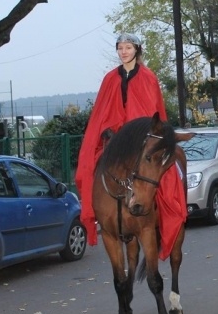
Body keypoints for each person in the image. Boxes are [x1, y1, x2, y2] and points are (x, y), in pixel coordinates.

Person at [75, 33, 186, 259]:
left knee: (163, 172)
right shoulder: (109, 79)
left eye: (128, 47)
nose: (123, 51)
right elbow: (102, 112)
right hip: (116, 138)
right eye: (120, 48)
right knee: (93, 165)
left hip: (143, 138)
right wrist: (107, 128)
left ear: (137, 49)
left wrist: (143, 133)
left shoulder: (148, 77)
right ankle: (100, 211)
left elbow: (153, 112)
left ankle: (165, 214)